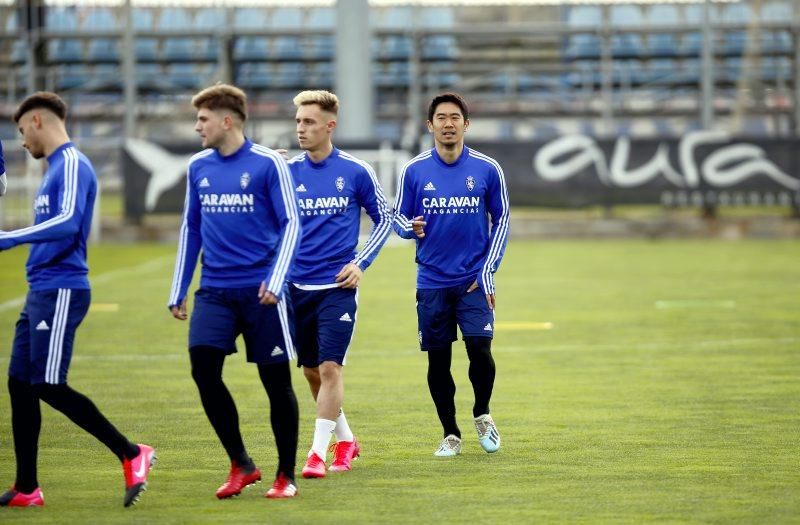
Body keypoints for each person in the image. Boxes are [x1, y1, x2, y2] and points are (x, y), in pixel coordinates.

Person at [0, 92, 155, 508]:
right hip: (41, 289)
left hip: (62, 288)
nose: (21, 144)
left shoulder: (72, 164)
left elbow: (68, 224)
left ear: (36, 120)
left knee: (49, 383)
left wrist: (11, 237)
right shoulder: (54, 170)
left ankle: (131, 452)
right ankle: (27, 487)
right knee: (19, 383)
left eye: (20, 132)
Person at [168, 84, 302, 499]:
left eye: (203, 119)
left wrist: (277, 279)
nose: (197, 127)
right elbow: (191, 227)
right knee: (203, 369)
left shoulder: (267, 164)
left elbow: (291, 224)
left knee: (275, 382)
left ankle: (285, 476)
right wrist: (180, 286)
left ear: (227, 121)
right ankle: (241, 463)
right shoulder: (198, 166)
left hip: (263, 292)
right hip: (215, 290)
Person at [392, 92, 510, 457]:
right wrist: (410, 228)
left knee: (480, 348)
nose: (447, 123)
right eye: (440, 117)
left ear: (466, 124)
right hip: (431, 282)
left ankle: (482, 413)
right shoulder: (414, 171)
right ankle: (451, 433)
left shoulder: (488, 169)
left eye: (454, 117)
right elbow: (397, 219)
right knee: (438, 360)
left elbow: (502, 218)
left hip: (473, 280)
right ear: (430, 125)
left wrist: (488, 271)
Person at [286, 90, 392, 478]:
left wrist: (360, 263)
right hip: (295, 289)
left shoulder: (356, 170)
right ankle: (345, 439)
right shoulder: (288, 171)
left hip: (338, 289)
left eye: (309, 121)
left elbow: (385, 218)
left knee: (331, 368)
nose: (301, 128)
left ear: (330, 125)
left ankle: (316, 455)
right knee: (312, 373)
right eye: (298, 121)